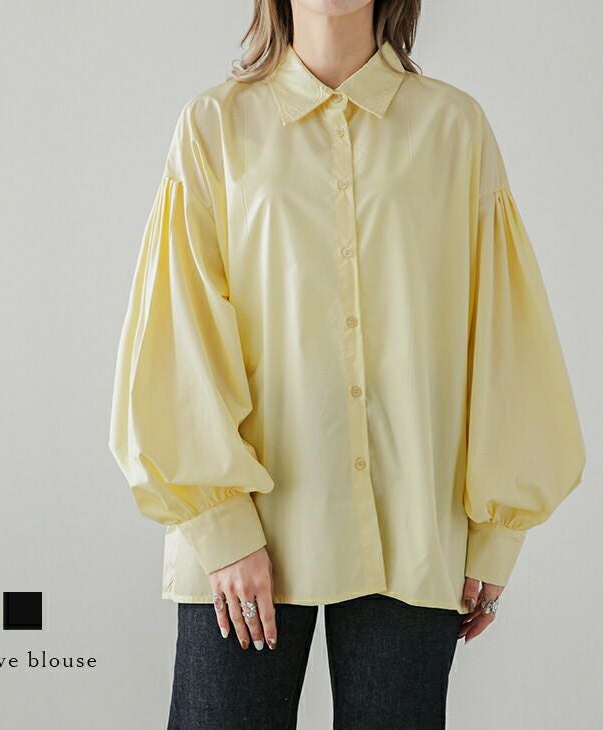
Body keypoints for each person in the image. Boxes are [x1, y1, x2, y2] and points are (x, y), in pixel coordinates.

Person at [108, 1, 586, 727]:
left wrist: (498, 529)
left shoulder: (455, 129)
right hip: (247, 538)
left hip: (412, 530)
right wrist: (220, 525)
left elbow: (504, 335)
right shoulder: (214, 127)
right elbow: (178, 334)